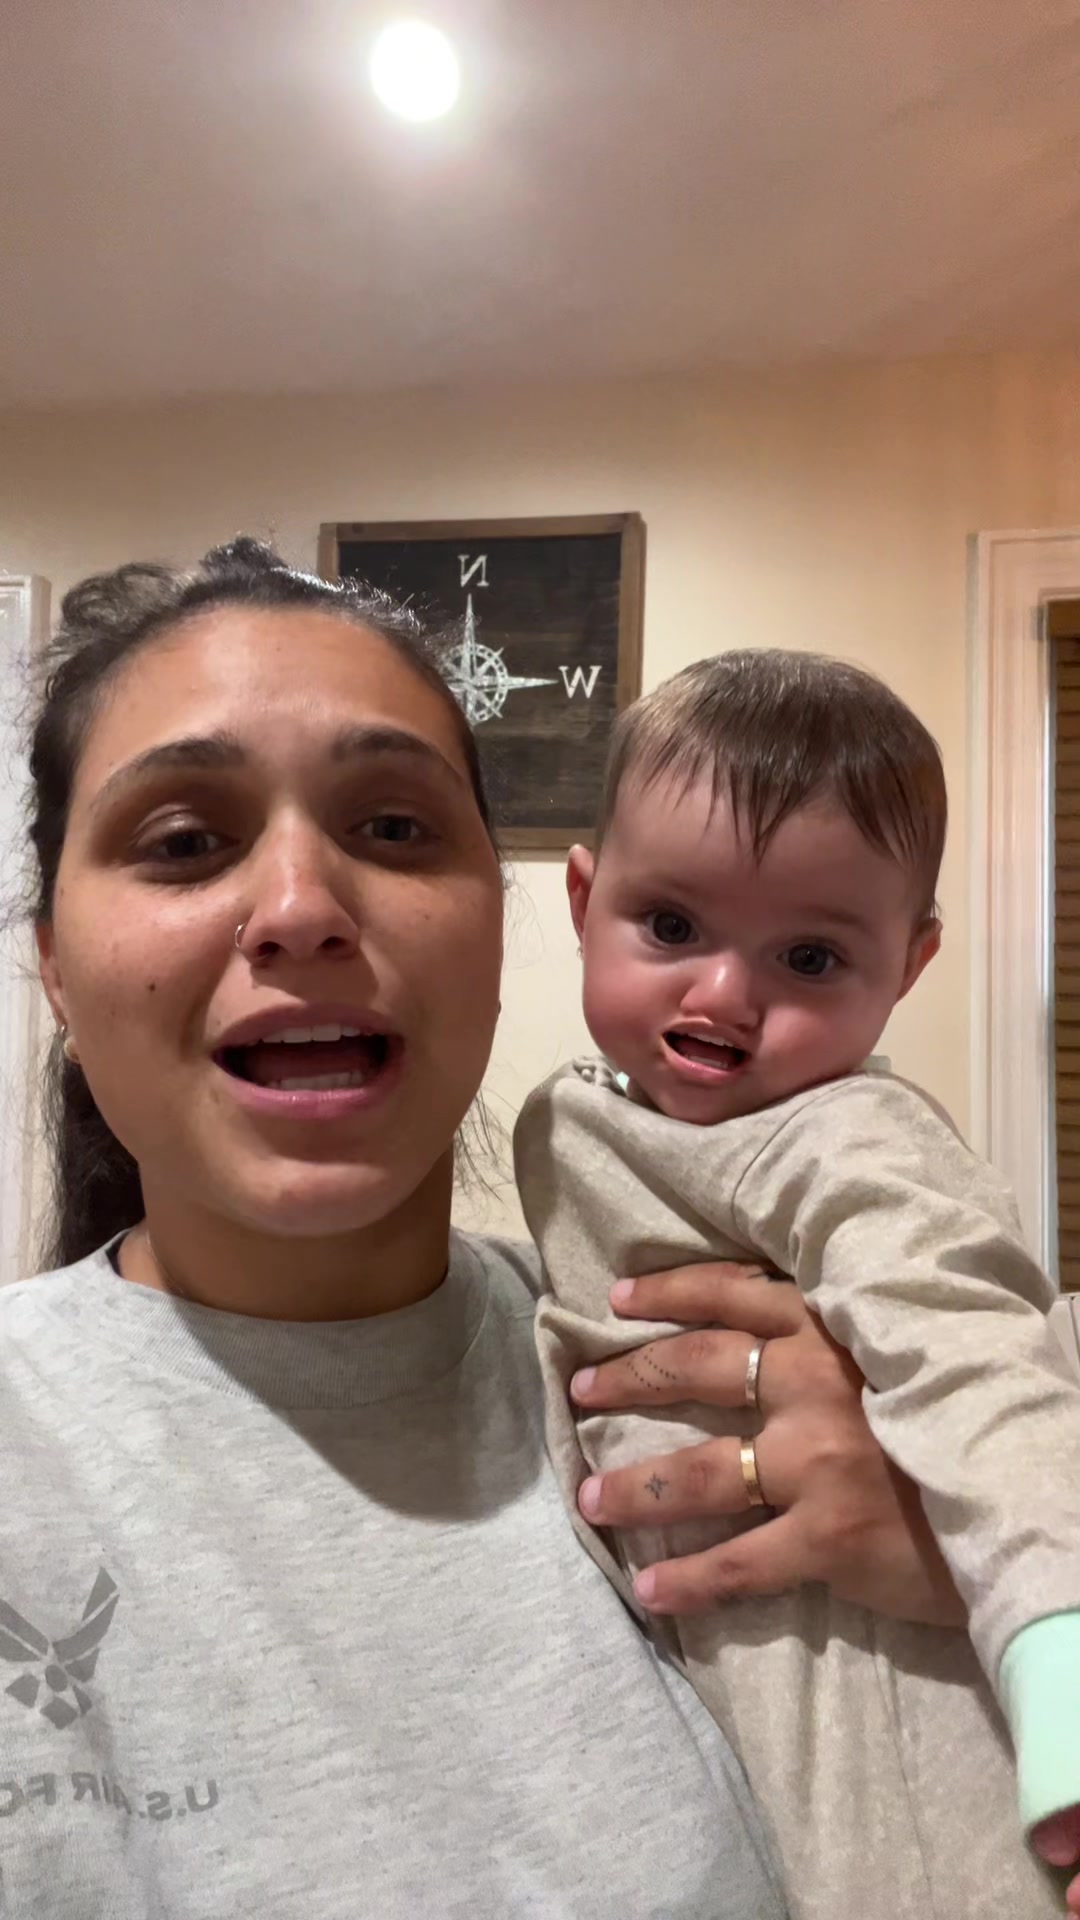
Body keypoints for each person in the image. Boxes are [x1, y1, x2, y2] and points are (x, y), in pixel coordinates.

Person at [0, 541, 959, 1919]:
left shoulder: (720, 1364)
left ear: (505, 934)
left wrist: (966, 1557)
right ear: (53, 964)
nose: (300, 910)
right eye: (186, 843)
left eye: (393, 829)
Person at [515, 649, 1080, 1919]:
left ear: (909, 967)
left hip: (916, 1762)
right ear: (585, 902)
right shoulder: (591, 1124)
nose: (725, 995)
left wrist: (1060, 1662)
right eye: (672, 927)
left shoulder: (846, 1139)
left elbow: (980, 1365)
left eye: (811, 958)